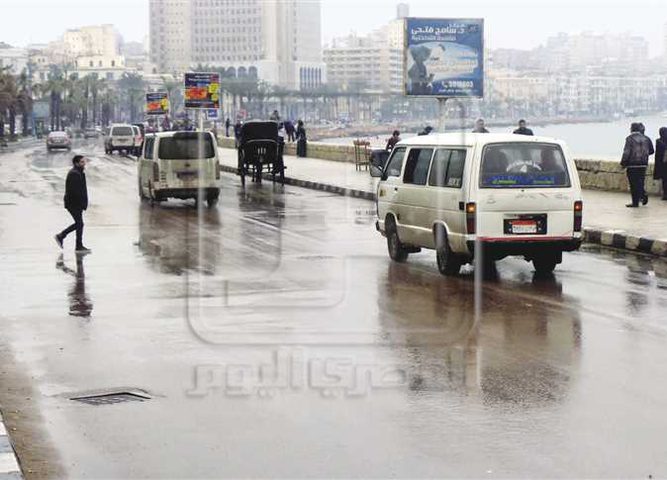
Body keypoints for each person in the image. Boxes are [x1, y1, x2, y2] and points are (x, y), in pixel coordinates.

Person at [54, 155, 91, 253]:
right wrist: (81, 203)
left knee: (79, 224)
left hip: (76, 203)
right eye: (82, 162)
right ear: (76, 163)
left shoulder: (79, 172)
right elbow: (75, 191)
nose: (84, 164)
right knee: (79, 223)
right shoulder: (74, 174)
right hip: (73, 203)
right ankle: (62, 236)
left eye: (84, 162)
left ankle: (76, 244)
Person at [621, 122, 654, 207]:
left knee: (633, 184)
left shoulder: (629, 139)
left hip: (632, 165)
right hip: (643, 164)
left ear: (632, 129)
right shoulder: (646, 138)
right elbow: (651, 151)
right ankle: (643, 195)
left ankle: (635, 202)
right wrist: (644, 154)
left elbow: (627, 152)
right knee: (640, 182)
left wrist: (623, 163)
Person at [654, 127, 667, 200]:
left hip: (663, 163)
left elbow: (658, 155)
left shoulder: (659, 141)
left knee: (664, 179)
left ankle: (665, 194)